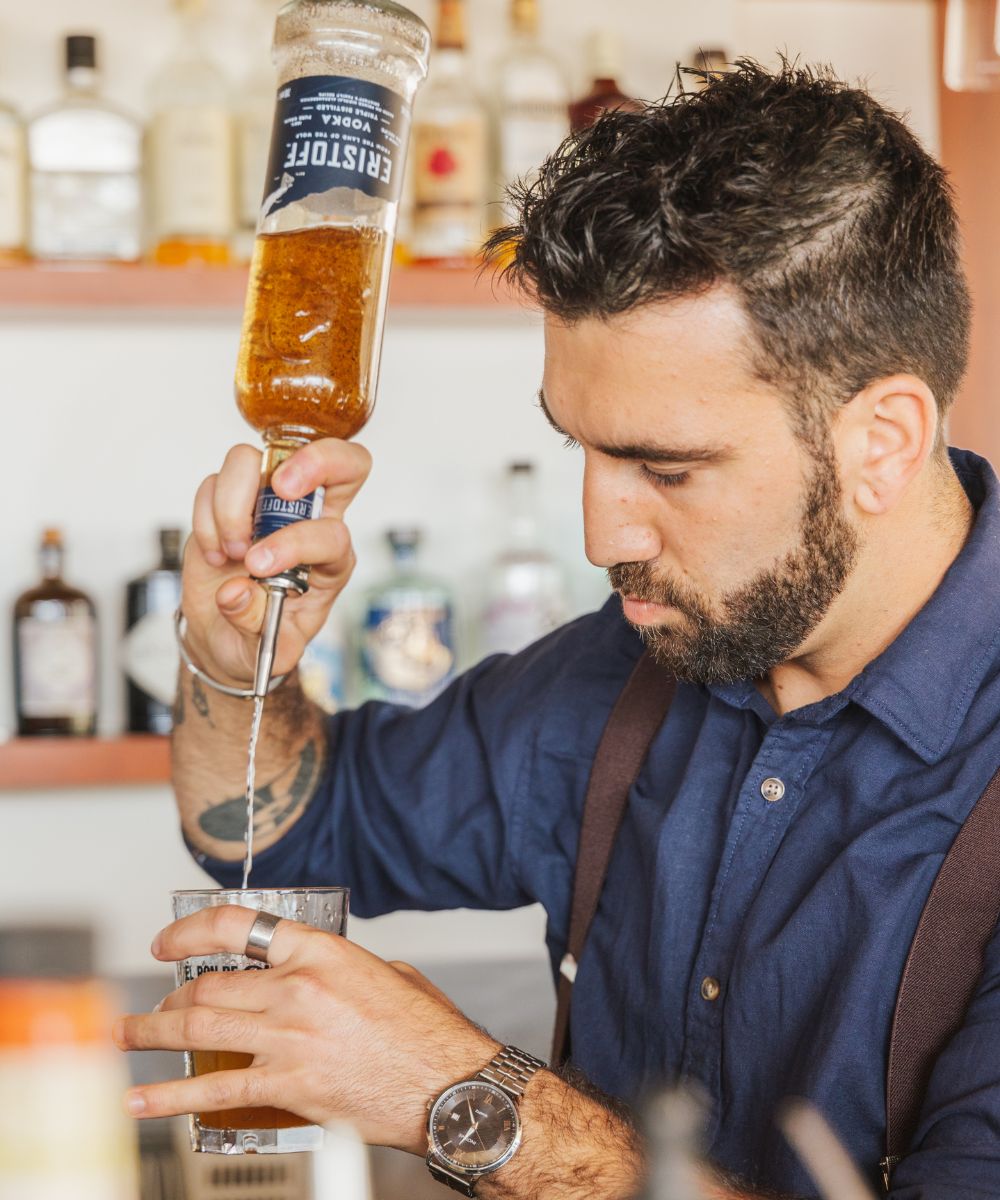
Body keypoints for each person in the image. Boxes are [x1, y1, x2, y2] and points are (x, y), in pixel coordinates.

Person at [113, 61, 1000, 1198]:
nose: (600, 533)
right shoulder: (632, 669)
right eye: (580, 446)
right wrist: (237, 669)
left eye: (664, 466)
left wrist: (466, 1099)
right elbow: (286, 833)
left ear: (881, 441)